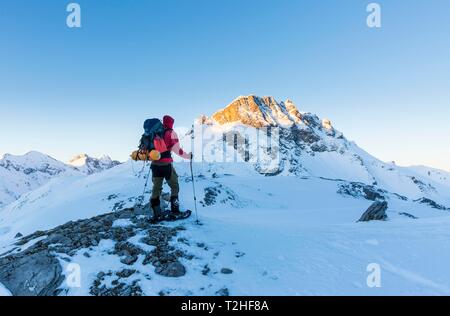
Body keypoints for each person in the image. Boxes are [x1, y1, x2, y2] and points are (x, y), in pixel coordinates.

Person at [150, 115, 192, 222]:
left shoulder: (155, 133)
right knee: (175, 186)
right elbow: (177, 150)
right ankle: (175, 211)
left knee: (156, 189)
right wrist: (188, 156)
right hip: (166, 165)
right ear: (171, 123)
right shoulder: (171, 133)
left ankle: (157, 214)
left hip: (155, 165)